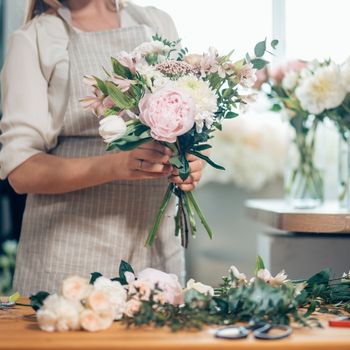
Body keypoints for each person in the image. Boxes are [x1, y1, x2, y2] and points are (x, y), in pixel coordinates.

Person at [0, 0, 204, 295]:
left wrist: (192, 163)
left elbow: (189, 123)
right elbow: (21, 171)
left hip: (157, 255)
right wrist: (117, 165)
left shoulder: (155, 24)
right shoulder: (35, 39)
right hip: (71, 260)